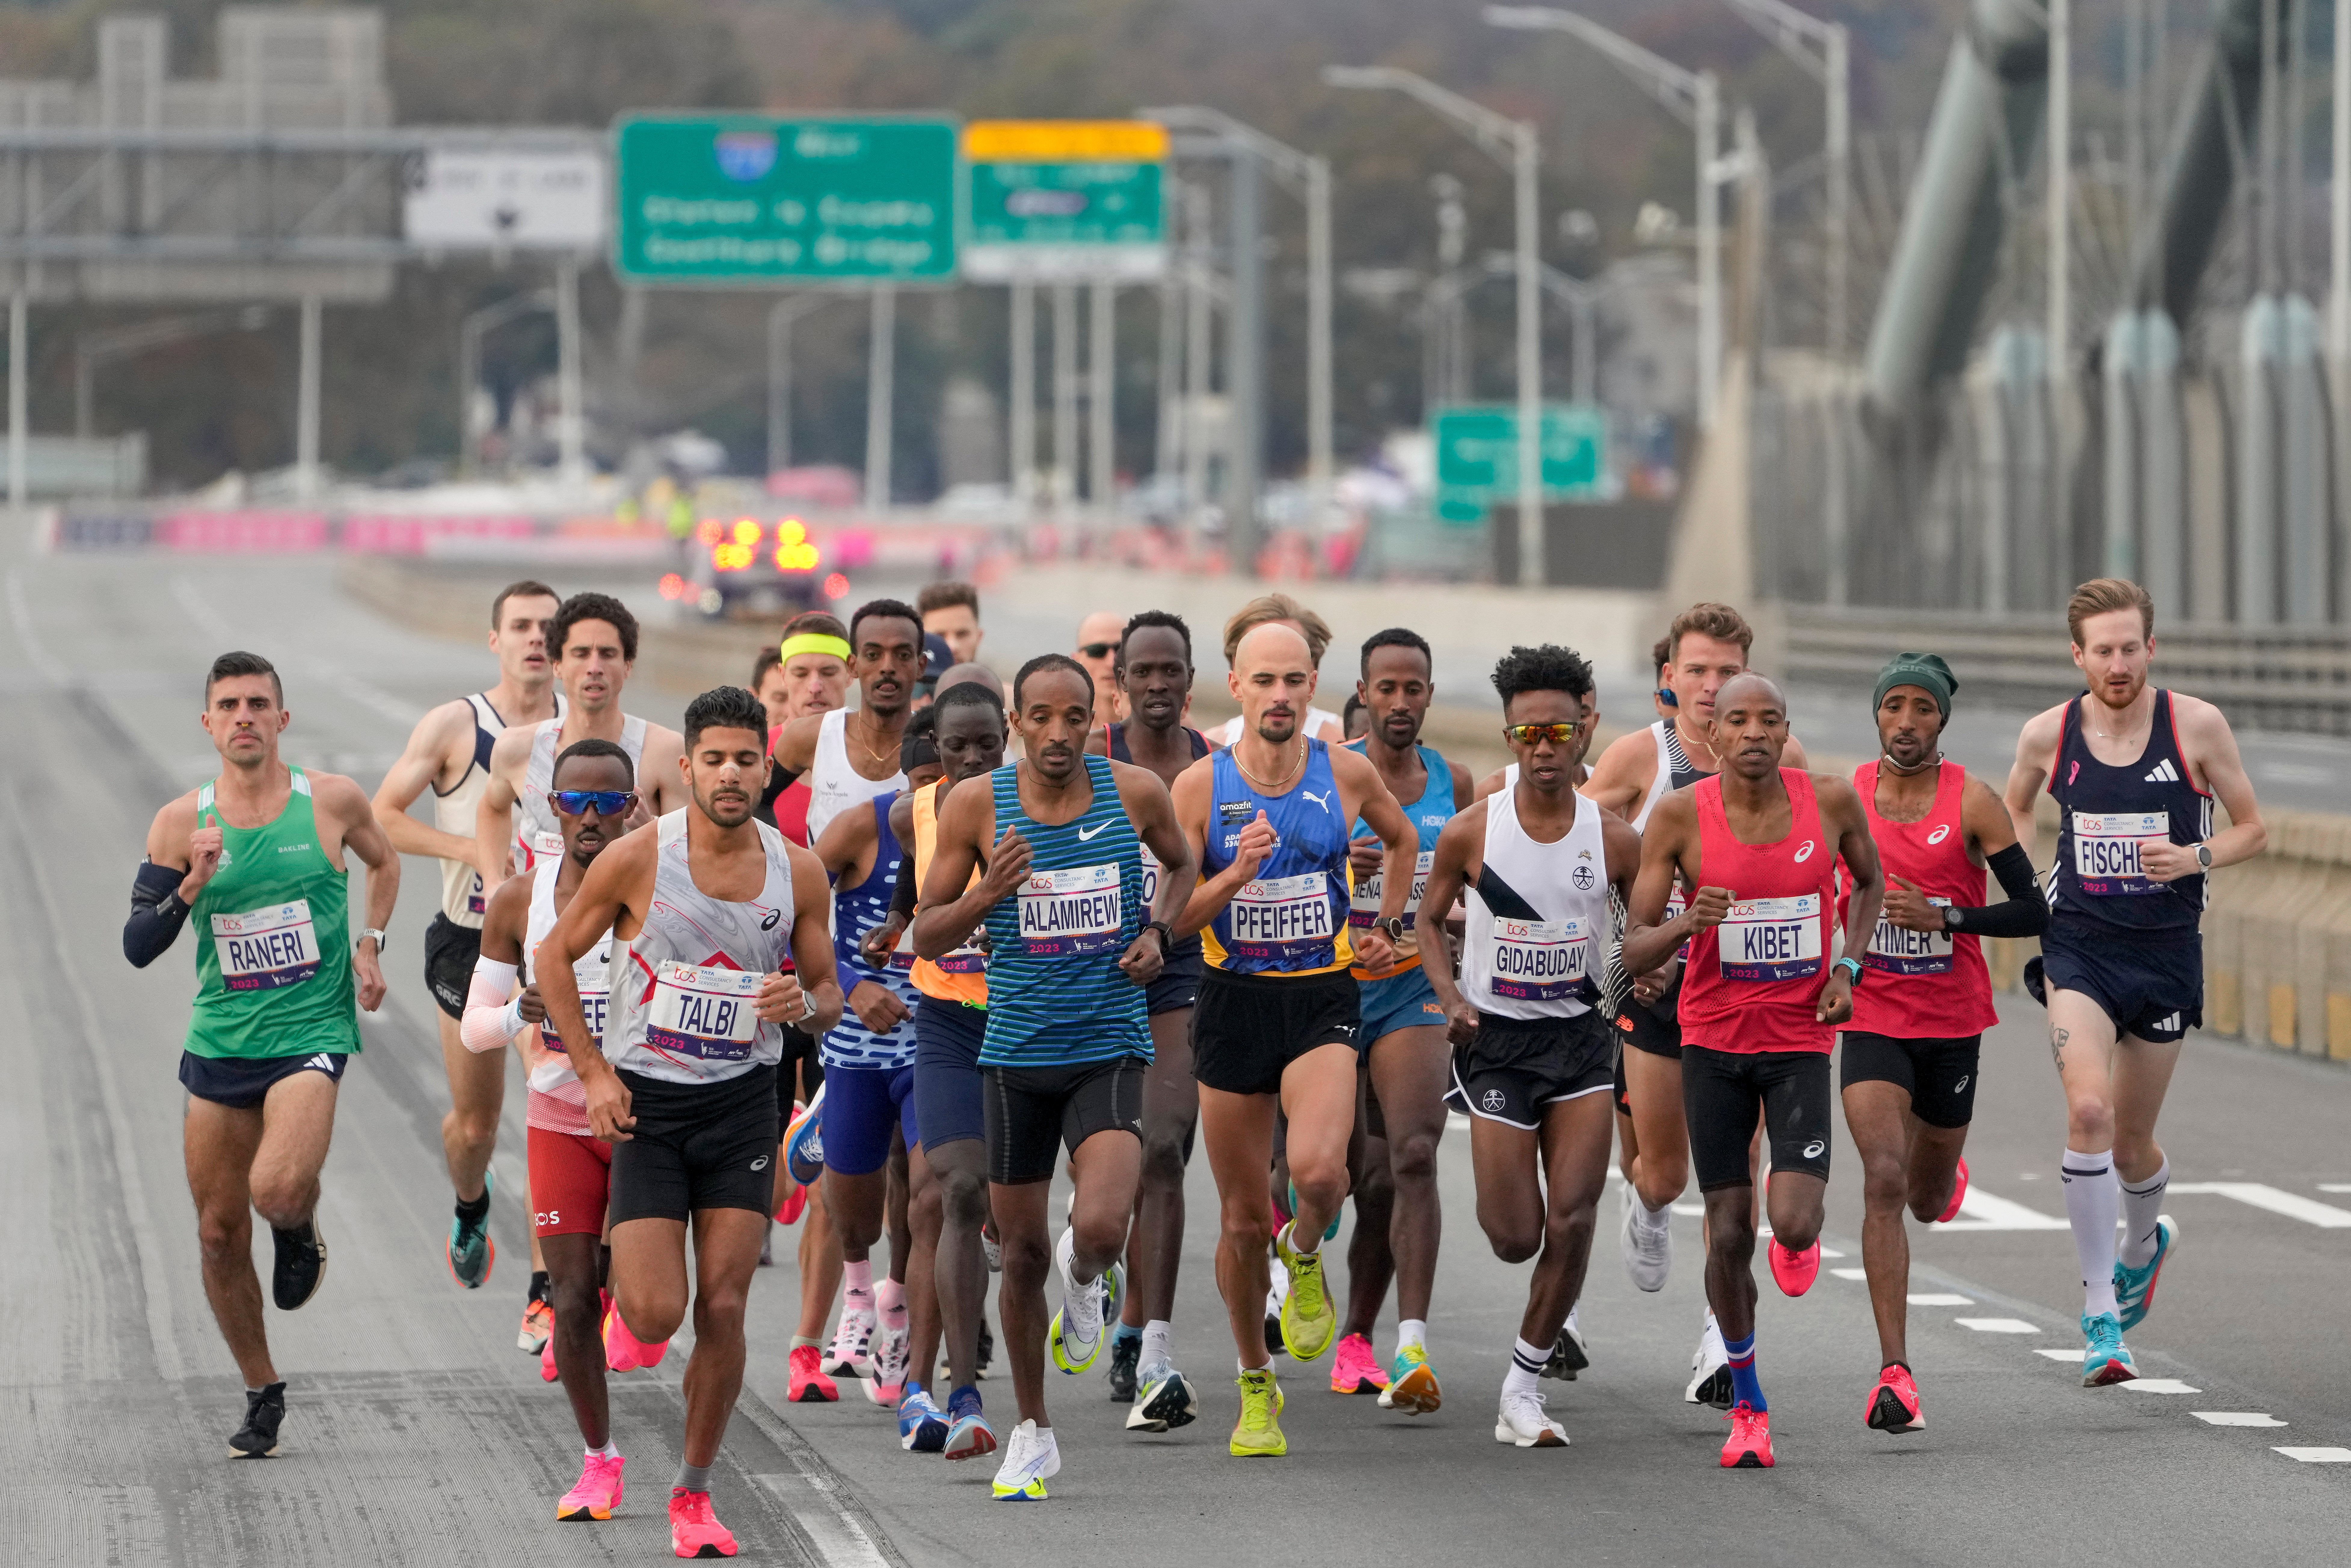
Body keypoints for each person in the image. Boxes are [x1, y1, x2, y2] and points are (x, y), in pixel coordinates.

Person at [534, 686, 844, 1558]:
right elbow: (555, 954)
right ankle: (623, 1326)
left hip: (744, 1104)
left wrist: (803, 1003)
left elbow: (826, 994)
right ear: (689, 767)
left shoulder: (798, 870)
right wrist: (593, 1069)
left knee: (726, 1300)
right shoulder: (638, 858)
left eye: (748, 758)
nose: (732, 773)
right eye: (714, 758)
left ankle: (694, 1493)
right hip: (650, 1104)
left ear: (764, 767)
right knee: (656, 1307)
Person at [913, 653, 1198, 1500]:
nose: (1057, 733)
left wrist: (1159, 931)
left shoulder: (1135, 791)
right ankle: (1033, 1431)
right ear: (1015, 721)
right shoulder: (975, 804)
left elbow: (1182, 865)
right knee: (1022, 1248)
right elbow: (927, 934)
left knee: (1103, 1223)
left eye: (1073, 717)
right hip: (1013, 1056)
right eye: (1040, 716)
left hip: (1108, 1041)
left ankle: (1090, 1271)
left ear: (1093, 718)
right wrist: (985, 892)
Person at [124, 651, 399, 1458]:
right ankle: (261, 1388)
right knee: (215, 1230)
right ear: (208, 724)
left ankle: (296, 1219)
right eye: (228, 705)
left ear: (283, 719)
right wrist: (189, 885)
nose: (244, 715)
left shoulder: (332, 801)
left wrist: (371, 940)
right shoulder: (182, 823)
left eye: (258, 703)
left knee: (275, 1185)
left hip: (310, 1030)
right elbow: (138, 945)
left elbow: (384, 861)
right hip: (220, 1039)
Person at [2001, 578, 2263, 1385]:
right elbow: (2011, 807)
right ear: (2076, 655)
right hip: (2079, 947)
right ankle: (2099, 1316)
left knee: (2130, 1142)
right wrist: (2030, 889)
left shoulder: (2195, 727)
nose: (2116, 664)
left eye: (2129, 648)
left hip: (2163, 954)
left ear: (2150, 648)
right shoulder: (2048, 734)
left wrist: (2196, 856)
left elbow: (2255, 827)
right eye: (2100, 650)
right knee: (2087, 1109)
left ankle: (2143, 1245)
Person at [1620, 671, 1882, 1469]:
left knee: (1795, 1219)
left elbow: (1868, 881)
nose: (1756, 733)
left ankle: (1795, 1242)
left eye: (1771, 719)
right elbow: (1632, 945)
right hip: (1713, 1046)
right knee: (1729, 1229)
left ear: (1785, 729)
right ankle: (1749, 1401)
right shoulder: (1677, 816)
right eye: (1740, 720)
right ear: (1717, 732)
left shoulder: (1830, 802)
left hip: (1799, 1041)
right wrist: (1682, 925)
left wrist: (1846, 967)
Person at [1170, 621, 1418, 1458]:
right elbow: (1171, 920)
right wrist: (1234, 875)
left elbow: (1403, 835)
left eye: (1293, 681)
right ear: (1234, 687)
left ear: (1314, 684)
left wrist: (1383, 920)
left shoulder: (1344, 771)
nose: (1280, 696)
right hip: (1232, 1000)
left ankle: (1304, 1246)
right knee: (1241, 1221)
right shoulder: (1199, 788)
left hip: (1322, 995)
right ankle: (1253, 1381)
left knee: (1321, 1171)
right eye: (1263, 680)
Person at [1580, 602, 1806, 1405]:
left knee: (1736, 1176)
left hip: (1750, 997)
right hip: (1657, 986)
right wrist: (1624, 945)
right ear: (1667, 679)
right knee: (1665, 1174)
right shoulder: (1639, 757)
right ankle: (1639, 1200)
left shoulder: (1788, 761)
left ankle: (1721, 1340)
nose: (1712, 687)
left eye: (1727, 670)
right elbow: (1573, 844)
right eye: (1698, 671)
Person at [1419, 644, 1635, 1447]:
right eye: (1528, 733)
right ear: (1509, 736)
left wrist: (1642, 977)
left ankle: (1523, 1384)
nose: (1544, 748)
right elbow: (1427, 922)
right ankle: (1525, 1369)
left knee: (1574, 1216)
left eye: (1559, 731)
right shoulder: (1474, 830)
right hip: (1497, 1044)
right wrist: (1447, 996)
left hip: (1580, 1042)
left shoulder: (1613, 837)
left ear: (1586, 728)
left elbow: (1631, 933)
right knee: (1515, 1234)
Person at [1843, 653, 2046, 1433]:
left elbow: (2036, 912)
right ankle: (1895, 1370)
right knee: (1883, 1177)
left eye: (1920, 708)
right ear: (1877, 716)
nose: (1904, 720)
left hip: (1951, 1022)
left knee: (1925, 1196)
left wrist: (1949, 918)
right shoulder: (1847, 798)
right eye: (1892, 705)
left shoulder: (1975, 802)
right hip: (1870, 1013)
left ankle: (1946, 1169)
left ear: (1941, 719)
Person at [367, 579, 562, 1342]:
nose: (536, 640)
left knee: (550, 1094)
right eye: (521, 626)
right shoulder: (457, 726)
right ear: (496, 640)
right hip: (470, 941)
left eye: (549, 627)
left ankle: (547, 1285)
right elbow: (383, 816)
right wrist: (477, 854)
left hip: (556, 950)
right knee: (476, 1127)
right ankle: (471, 1204)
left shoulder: (578, 731)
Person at [460, 737, 646, 1519]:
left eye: (610, 801)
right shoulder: (518, 901)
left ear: (634, 809)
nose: (594, 816)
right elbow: (474, 1026)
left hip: (644, 1120)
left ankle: (630, 1308)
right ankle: (599, 1459)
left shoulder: (658, 892)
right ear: (553, 808)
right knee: (571, 1297)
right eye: (577, 801)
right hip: (559, 1117)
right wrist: (518, 1013)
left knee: (640, 1294)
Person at [1334, 628, 1473, 1413]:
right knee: (1334, 1175)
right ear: (1362, 691)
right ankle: (1303, 1268)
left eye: (1412, 688)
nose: (1399, 702)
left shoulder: (1450, 781)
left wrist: (1440, 923)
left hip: (1410, 986)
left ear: (1427, 692)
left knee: (1409, 1156)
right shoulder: (1329, 774)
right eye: (1384, 688)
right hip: (1322, 986)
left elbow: (1466, 892)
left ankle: (1401, 1340)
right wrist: (1337, 869)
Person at [871, 681, 1010, 1459]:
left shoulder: (1040, 809)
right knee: (944, 1193)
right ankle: (938, 1391)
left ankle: (1086, 1262)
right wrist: (900, 924)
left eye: (983, 745)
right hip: (947, 1019)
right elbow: (910, 894)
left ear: (1006, 739)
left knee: (1005, 1215)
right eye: (952, 747)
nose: (965, 761)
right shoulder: (914, 812)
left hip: (1028, 1022)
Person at [1084, 612, 1215, 1429]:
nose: (1159, 684)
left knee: (1164, 1144)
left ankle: (1151, 1339)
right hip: (1081, 977)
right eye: (1145, 671)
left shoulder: (1214, 765)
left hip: (1180, 969)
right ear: (1121, 680)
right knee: (1105, 1167)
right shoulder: (1089, 754)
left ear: (1190, 678)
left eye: (1173, 670)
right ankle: (1095, 1270)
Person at [809, 711, 933, 1407]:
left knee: (932, 1197)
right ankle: (860, 1289)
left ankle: (903, 1313)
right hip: (857, 1050)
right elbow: (797, 912)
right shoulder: (862, 826)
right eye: (919, 784)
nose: (932, 798)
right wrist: (853, 989)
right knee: (852, 1209)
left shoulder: (989, 824)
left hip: (941, 1047)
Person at [477, 591, 689, 904]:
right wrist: (494, 881)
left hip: (626, 938)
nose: (594, 667)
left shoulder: (665, 751)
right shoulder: (517, 748)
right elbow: (492, 808)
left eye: (607, 654)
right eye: (580, 653)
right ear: (557, 665)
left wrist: (652, 830)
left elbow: (693, 859)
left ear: (628, 665)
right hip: (538, 937)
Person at [771, 600, 921, 843]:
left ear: (921, 665)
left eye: (903, 655)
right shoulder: (805, 737)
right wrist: (784, 865)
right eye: (873, 655)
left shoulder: (938, 743)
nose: (887, 667)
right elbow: (754, 806)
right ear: (854, 666)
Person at [756, 612, 853, 838]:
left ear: (851, 673)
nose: (815, 686)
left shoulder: (875, 752)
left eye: (829, 672)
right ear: (783, 675)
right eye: (801, 673)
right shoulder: (754, 752)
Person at [1208, 594, 1348, 746]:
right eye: (1260, 646)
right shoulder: (1210, 748)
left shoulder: (1345, 745)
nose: (1280, 696)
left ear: (1312, 670)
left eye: (1291, 646)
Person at [1075, 610, 1127, 728]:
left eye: (1120, 650)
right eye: (1097, 651)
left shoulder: (1159, 733)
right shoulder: (1064, 736)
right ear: (1077, 661)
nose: (1111, 662)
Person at [920, 580, 985, 666]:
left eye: (962, 634)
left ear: (979, 637)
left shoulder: (995, 680)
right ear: (920, 641)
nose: (952, 647)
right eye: (939, 637)